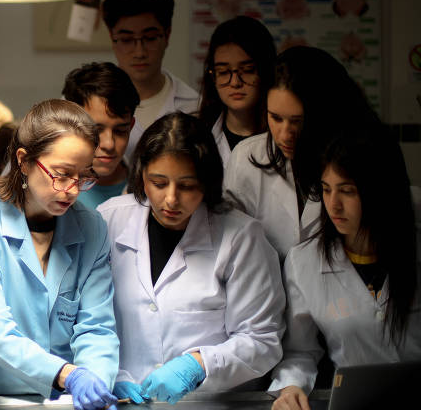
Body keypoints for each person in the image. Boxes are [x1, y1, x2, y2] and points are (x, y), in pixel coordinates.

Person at [98, 112, 285, 404]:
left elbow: (262, 340)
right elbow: (84, 320)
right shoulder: (109, 220)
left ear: (207, 182)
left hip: (207, 403)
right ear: (141, 175)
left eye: (186, 186)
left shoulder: (241, 237)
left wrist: (198, 365)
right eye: (158, 183)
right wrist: (108, 373)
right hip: (124, 400)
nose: (171, 199)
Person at [0, 99, 119, 410]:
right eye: (62, 174)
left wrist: (96, 382)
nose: (73, 190)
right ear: (24, 161)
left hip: (59, 401)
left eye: (83, 176)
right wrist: (68, 375)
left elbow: (97, 326)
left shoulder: (91, 228)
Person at [269, 123, 421, 410]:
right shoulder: (305, 262)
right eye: (326, 190)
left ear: (381, 190)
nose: (333, 205)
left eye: (347, 191)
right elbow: (299, 352)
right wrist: (290, 388)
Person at [224, 46, 376, 259]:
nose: (285, 134)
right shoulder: (247, 158)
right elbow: (231, 246)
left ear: (324, 114)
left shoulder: (359, 156)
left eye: (298, 121)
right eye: (275, 118)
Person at [102, 0, 199, 161]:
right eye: (127, 40)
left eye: (150, 38)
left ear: (167, 35)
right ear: (111, 36)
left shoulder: (194, 108)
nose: (139, 52)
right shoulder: (81, 105)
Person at [197, 16, 276, 167]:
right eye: (224, 72)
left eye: (247, 70)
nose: (235, 82)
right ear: (213, 76)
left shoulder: (283, 141)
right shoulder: (198, 139)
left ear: (265, 71)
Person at [62, 62, 140, 209]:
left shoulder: (149, 189)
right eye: (95, 131)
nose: (109, 144)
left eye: (120, 131)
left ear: (131, 126)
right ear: (70, 124)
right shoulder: (51, 193)